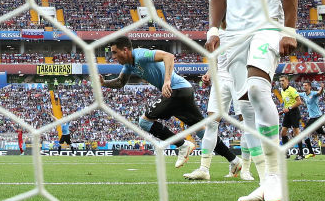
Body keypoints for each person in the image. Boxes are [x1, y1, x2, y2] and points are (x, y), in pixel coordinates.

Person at [206, 0, 298, 201]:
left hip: (267, 25)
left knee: (259, 90)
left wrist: (289, 29)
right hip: (234, 34)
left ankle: (275, 178)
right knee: (245, 109)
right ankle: (263, 181)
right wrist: (214, 29)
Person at [102, 36, 240, 176]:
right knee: (203, 132)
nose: (113, 56)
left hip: (177, 90)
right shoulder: (128, 66)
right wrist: (104, 83)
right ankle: (234, 160)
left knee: (144, 121)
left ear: (125, 50)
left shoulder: (140, 54)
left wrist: (167, 81)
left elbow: (168, 56)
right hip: (184, 91)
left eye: (114, 52)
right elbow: (120, 82)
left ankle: (183, 145)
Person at [184, 46, 260, 182]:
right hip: (220, 79)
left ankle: (246, 169)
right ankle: (204, 169)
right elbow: (216, 59)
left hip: (240, 77)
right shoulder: (216, 31)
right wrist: (209, 73)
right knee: (211, 123)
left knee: (245, 123)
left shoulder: (242, 28)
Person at [277, 75, 304, 160]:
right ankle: (286, 153)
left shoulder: (292, 90)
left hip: (294, 112)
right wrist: (284, 110)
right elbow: (286, 103)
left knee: (296, 133)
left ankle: (301, 154)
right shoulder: (282, 91)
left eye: (283, 80)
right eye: (280, 81)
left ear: (287, 81)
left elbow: (299, 102)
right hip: (287, 113)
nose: (281, 82)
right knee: (283, 132)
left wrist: (289, 108)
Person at [299, 81, 322, 157]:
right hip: (313, 117)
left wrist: (322, 88)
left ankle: (311, 152)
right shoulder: (303, 94)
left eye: (305, 85)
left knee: (304, 132)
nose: (304, 86)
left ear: (309, 87)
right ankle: (311, 152)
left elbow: (319, 93)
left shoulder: (313, 93)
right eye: (303, 85)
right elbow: (296, 93)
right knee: (321, 132)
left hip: (318, 117)